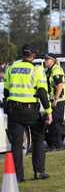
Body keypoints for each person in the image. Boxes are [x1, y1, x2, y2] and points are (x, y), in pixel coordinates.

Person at [4, 45, 52, 182]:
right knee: (38, 138)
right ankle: (39, 171)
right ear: (34, 55)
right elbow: (42, 92)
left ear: (22, 54)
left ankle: (18, 177)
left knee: (16, 144)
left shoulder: (11, 68)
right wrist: (49, 112)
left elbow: (6, 91)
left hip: (14, 110)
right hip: (30, 111)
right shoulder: (36, 70)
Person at [44, 53, 65, 151]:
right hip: (52, 100)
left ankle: (59, 146)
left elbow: (59, 85)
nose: (45, 61)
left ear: (53, 60)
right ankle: (54, 145)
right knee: (52, 123)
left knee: (56, 123)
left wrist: (56, 99)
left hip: (59, 100)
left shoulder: (56, 70)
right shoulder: (49, 70)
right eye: (45, 59)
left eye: (47, 59)